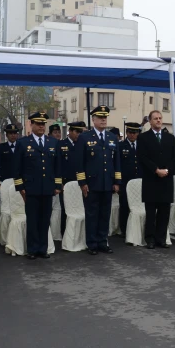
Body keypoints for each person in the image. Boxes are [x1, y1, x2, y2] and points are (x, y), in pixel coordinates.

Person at [14, 111, 62, 260]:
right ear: (31, 124)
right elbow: (17, 168)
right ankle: (33, 249)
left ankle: (43, 248)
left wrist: (58, 185)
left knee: (44, 219)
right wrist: (20, 188)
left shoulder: (53, 142)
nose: (41, 126)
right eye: (38, 123)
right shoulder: (23, 143)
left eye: (43, 124)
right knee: (33, 219)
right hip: (31, 188)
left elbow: (57, 167)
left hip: (48, 188)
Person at [75, 106, 121, 255]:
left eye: (105, 117)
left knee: (105, 214)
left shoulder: (112, 138)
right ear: (93, 119)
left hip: (107, 183)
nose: (103, 120)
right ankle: (92, 243)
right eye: (100, 117)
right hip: (91, 184)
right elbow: (79, 163)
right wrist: (82, 183)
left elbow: (116, 162)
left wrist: (116, 182)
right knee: (92, 214)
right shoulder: (85, 137)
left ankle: (103, 241)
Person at [137, 110, 175, 249]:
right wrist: (156, 170)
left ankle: (161, 238)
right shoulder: (143, 138)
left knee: (164, 212)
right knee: (150, 212)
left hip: (166, 180)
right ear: (150, 121)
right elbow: (142, 157)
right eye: (155, 118)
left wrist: (167, 170)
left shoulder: (170, 138)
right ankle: (150, 239)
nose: (159, 120)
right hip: (151, 180)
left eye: (160, 118)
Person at [59, 121, 86, 235]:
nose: (78, 134)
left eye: (81, 132)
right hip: (66, 182)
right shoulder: (61, 144)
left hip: (81, 182)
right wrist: (59, 182)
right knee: (66, 210)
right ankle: (66, 234)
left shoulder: (84, 144)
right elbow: (58, 165)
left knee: (81, 208)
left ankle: (80, 234)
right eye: (76, 131)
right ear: (70, 131)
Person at [118, 122, 143, 235]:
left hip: (139, 180)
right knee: (124, 206)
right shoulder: (121, 146)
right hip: (125, 181)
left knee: (139, 204)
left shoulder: (142, 146)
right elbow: (117, 165)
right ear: (127, 133)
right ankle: (124, 230)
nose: (133, 135)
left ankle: (138, 228)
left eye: (135, 132)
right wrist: (118, 181)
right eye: (131, 132)